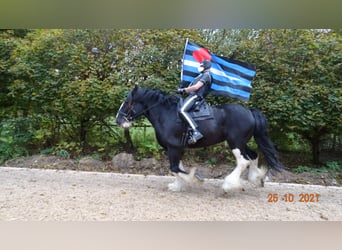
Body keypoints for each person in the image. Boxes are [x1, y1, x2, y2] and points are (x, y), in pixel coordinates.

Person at [177, 59, 212, 144]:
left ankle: (195, 132)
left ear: (205, 67)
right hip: (191, 96)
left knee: (182, 110)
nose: (199, 67)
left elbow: (196, 87)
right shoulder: (200, 75)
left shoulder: (206, 75)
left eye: (201, 66)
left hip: (196, 96)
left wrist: (183, 90)